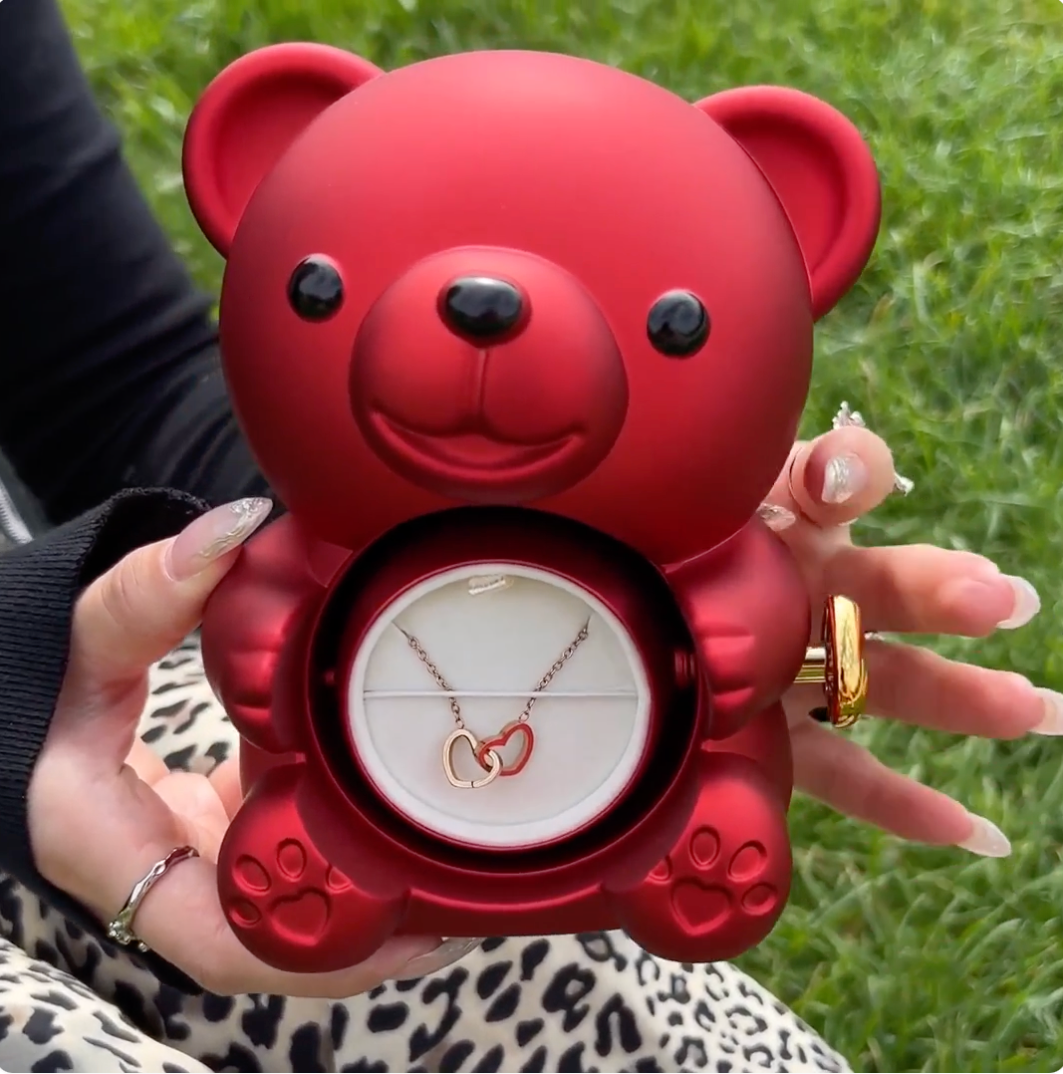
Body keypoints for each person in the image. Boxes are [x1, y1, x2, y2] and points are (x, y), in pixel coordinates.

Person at [0, 0, 1055, 1069]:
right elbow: (262, 641)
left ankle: (685, 845)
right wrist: (212, 647)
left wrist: (684, 541)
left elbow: (109, 378)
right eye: (328, 289)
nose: (485, 309)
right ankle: (322, 854)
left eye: (673, 324)